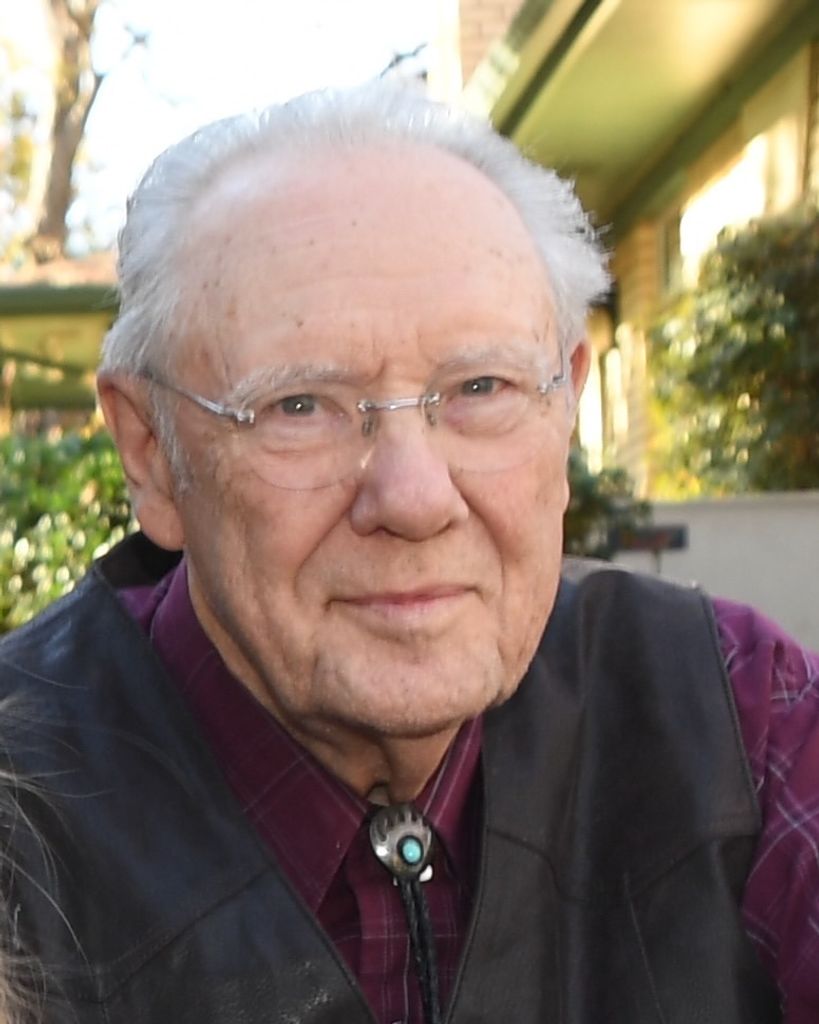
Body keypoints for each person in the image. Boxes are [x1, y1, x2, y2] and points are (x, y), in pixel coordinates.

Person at [0, 81, 816, 1024]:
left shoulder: (737, 715)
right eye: (299, 406)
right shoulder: (22, 821)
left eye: (481, 387)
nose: (415, 499)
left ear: (565, 405)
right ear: (152, 453)